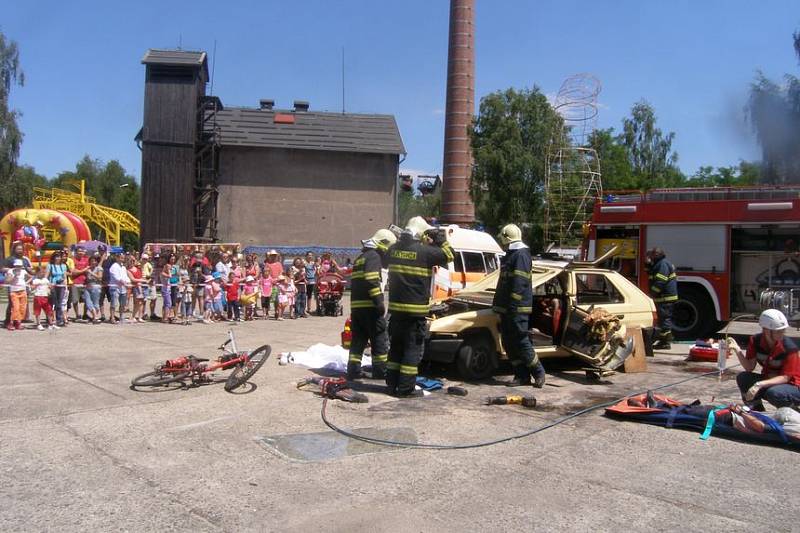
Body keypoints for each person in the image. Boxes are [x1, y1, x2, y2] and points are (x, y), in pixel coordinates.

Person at [386, 217, 453, 396]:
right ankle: (406, 389)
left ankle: (391, 385)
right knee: (411, 351)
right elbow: (449, 254)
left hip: (396, 312)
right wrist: (440, 239)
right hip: (415, 313)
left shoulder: (392, 250)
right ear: (421, 233)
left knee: (395, 349)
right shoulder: (426, 252)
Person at [493, 224, 546, 388]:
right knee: (508, 342)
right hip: (506, 308)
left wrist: (513, 304)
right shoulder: (510, 255)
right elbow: (503, 283)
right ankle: (521, 375)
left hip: (516, 308)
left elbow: (520, 282)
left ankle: (538, 372)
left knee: (521, 341)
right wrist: (498, 305)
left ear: (506, 238)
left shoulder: (521, 255)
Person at [346, 229, 397, 381]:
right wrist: (379, 302)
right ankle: (380, 372)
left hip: (357, 308)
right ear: (384, 244)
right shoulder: (374, 257)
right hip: (370, 308)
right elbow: (371, 279)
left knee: (358, 340)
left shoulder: (360, 258)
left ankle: (353, 371)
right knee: (379, 339)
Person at [730, 309, 800, 410]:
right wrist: (737, 350)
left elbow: (785, 378)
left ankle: (794, 414)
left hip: (794, 386)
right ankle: (757, 412)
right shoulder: (755, 341)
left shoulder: (790, 348)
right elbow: (749, 367)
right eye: (778, 331)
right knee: (743, 378)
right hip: (772, 381)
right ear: (766, 330)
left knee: (774, 393)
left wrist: (759, 384)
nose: (782, 334)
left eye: (783, 330)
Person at [646, 247, 677, 349]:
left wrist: (652, 294)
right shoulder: (658, 264)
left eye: (651, 255)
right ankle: (664, 341)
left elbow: (660, 281)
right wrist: (648, 264)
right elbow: (650, 273)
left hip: (665, 298)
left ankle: (665, 343)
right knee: (663, 319)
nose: (649, 257)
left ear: (656, 255)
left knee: (664, 320)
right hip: (663, 297)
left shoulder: (662, 264)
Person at [2, 242, 33, 328]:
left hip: (23, 285)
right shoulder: (9, 259)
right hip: (13, 285)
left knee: (22, 305)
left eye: (21, 249)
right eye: (18, 249)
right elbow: (3, 268)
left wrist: (28, 270)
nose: (20, 251)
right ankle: (8, 321)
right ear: (14, 249)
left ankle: (18, 321)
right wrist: (13, 270)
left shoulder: (25, 259)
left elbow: (30, 271)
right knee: (12, 305)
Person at [47, 251, 69, 327]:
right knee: (53, 303)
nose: (58, 258)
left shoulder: (63, 266)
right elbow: (47, 276)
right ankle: (51, 319)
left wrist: (65, 284)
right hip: (53, 285)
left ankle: (59, 319)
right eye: (56, 256)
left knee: (60, 303)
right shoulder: (50, 265)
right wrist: (48, 285)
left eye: (59, 256)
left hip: (61, 285)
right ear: (53, 258)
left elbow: (64, 275)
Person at [6, 259, 29, 331]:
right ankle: (11, 323)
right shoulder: (10, 271)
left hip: (23, 291)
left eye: (19, 266)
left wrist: (27, 283)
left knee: (22, 308)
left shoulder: (23, 271)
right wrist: (13, 275)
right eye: (16, 266)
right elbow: (7, 281)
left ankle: (18, 322)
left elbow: (31, 276)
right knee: (15, 307)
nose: (18, 267)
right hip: (14, 291)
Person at [109, 253, 130, 324]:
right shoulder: (113, 266)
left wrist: (128, 282)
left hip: (123, 288)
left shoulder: (123, 267)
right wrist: (124, 283)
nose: (122, 259)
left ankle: (121, 317)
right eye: (121, 258)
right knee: (114, 304)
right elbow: (116, 277)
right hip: (115, 288)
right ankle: (112, 318)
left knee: (122, 304)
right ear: (117, 258)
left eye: (123, 258)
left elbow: (125, 277)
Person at [70, 246, 89, 321]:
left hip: (84, 283)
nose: (80, 252)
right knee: (75, 301)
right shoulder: (73, 260)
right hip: (75, 282)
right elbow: (73, 272)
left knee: (87, 300)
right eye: (79, 251)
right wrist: (84, 270)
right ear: (76, 252)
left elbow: (89, 269)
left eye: (82, 251)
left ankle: (85, 314)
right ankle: (77, 315)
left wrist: (80, 271)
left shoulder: (86, 260)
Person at [85, 255, 103, 324]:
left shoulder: (99, 268)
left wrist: (91, 273)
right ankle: (95, 317)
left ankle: (95, 317)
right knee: (88, 302)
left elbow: (100, 277)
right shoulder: (88, 268)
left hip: (96, 287)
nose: (93, 262)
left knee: (95, 303)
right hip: (88, 286)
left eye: (94, 261)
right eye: (91, 261)